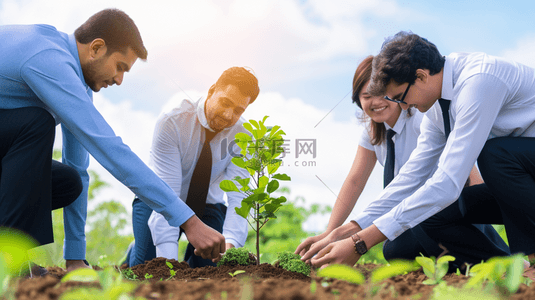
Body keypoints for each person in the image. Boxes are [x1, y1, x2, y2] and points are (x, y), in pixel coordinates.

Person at [0, 8, 228, 274]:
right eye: (120, 67)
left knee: (68, 181)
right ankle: (8, 261)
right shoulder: (48, 59)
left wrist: (75, 257)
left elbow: (79, 169)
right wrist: (188, 221)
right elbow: (110, 149)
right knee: (35, 123)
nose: (119, 80)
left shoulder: (76, 82)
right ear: (96, 48)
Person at [308, 31, 535, 275]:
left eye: (400, 97)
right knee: (430, 216)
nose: (403, 106)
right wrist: (347, 230)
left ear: (421, 76)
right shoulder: (437, 110)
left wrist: (361, 243)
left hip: (521, 175)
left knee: (494, 154)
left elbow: (448, 182)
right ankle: (511, 270)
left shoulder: (479, 82)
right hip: (521, 185)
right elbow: (410, 178)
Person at [124, 67, 259, 268]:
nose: (229, 115)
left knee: (209, 269)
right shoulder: (172, 121)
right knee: (148, 267)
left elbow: (239, 196)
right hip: (158, 199)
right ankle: (135, 251)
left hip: (208, 206)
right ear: (212, 90)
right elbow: (167, 194)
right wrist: (168, 265)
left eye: (239, 110)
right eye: (225, 103)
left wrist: (230, 246)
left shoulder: (243, 136)